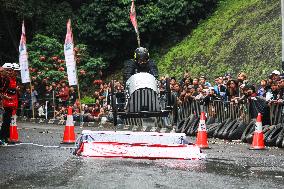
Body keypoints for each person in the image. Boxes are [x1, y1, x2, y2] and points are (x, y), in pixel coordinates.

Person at [0, 63, 20, 145]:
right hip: (6, 103)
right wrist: (5, 97)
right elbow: (4, 91)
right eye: (8, 70)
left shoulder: (12, 80)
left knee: (7, 121)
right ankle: (2, 137)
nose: (9, 72)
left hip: (11, 103)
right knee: (5, 121)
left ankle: (5, 137)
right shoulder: (6, 80)